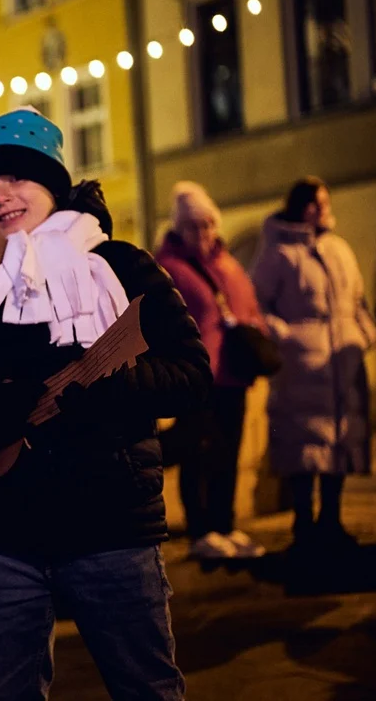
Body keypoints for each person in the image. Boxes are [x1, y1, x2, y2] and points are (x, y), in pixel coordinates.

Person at [0, 108, 210, 700]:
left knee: (147, 688)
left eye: (17, 179)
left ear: (53, 187)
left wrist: (106, 385)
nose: (1, 196)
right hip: (7, 534)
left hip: (111, 523)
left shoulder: (120, 264)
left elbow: (191, 374)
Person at [251, 176, 376, 551]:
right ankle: (304, 525)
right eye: (318, 203)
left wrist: (363, 335)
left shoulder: (339, 249)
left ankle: (332, 522)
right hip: (301, 369)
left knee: (339, 446)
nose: (324, 209)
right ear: (302, 207)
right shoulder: (278, 254)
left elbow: (358, 301)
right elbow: (259, 305)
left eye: (325, 202)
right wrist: (286, 337)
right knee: (304, 449)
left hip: (341, 366)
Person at [156, 181, 268, 560]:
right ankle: (201, 530)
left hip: (233, 375)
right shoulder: (169, 268)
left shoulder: (228, 264)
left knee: (228, 453)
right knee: (197, 454)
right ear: (179, 229)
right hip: (196, 377)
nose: (202, 233)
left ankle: (225, 524)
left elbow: (251, 310)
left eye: (207, 224)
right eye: (193, 226)